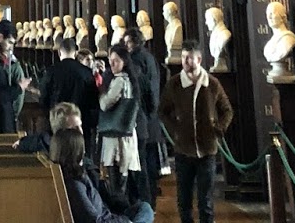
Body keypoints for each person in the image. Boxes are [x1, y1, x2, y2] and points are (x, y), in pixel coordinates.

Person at [158, 39, 232, 223]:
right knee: (184, 199)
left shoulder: (212, 84)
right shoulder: (175, 84)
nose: (185, 62)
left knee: (205, 200)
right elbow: (163, 110)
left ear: (199, 59)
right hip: (184, 149)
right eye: (183, 57)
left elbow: (227, 110)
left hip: (207, 149)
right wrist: (175, 129)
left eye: (189, 58)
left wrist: (218, 129)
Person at [49, 126, 154, 223]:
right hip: (106, 220)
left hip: (110, 216)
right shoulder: (74, 184)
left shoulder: (77, 174)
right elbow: (93, 220)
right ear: (77, 152)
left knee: (144, 208)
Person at [98, 46, 142, 203]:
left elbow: (105, 104)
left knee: (117, 179)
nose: (112, 64)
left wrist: (101, 92)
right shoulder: (130, 80)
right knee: (123, 175)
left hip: (116, 136)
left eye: (116, 61)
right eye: (110, 61)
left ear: (124, 62)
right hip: (126, 133)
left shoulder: (119, 81)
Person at [41, 34, 99, 152]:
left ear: (59, 52)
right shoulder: (86, 72)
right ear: (76, 53)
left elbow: (44, 99)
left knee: (59, 155)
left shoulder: (51, 71)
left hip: (58, 123)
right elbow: (93, 101)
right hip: (81, 122)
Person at [122, 26, 160, 204]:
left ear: (133, 43)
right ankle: (150, 200)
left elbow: (143, 90)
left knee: (138, 164)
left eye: (127, 42)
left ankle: (141, 202)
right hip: (150, 118)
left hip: (139, 118)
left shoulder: (134, 61)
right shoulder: (150, 58)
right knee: (148, 162)